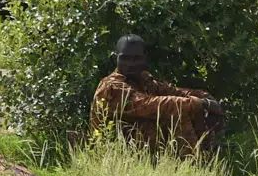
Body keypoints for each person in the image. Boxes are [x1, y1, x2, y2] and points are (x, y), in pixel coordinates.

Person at [91, 34, 226, 156]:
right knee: (177, 112)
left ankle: (206, 156)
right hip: (115, 149)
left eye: (136, 58)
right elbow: (147, 104)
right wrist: (199, 103)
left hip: (141, 146)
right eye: (125, 58)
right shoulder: (112, 86)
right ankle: (192, 162)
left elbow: (173, 92)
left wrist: (205, 98)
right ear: (116, 58)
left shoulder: (142, 79)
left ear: (144, 58)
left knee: (189, 109)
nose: (130, 64)